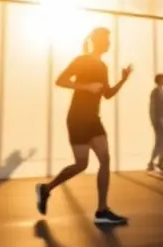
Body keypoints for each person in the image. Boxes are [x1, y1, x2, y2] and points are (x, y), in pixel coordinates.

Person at [36, 27, 132, 225]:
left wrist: (123, 79)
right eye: (106, 39)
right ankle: (46, 189)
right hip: (77, 118)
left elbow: (107, 94)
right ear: (97, 41)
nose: (109, 43)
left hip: (93, 118)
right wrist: (85, 87)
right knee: (81, 165)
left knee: (104, 159)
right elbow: (60, 80)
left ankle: (102, 210)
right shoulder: (82, 60)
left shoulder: (103, 66)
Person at [148, 73, 163, 173]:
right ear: (159, 80)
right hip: (157, 120)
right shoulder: (156, 92)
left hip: (161, 120)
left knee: (160, 142)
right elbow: (156, 106)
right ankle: (153, 163)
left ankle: (159, 163)